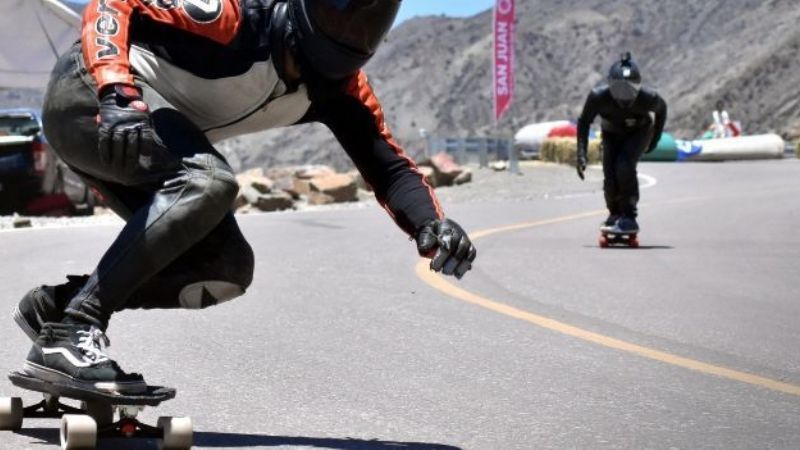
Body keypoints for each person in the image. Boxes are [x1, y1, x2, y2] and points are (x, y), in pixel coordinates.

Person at [14, 0, 477, 394]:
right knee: (208, 181)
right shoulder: (235, 15)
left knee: (225, 268)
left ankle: (61, 310)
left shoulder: (340, 89)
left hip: (150, 140)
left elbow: (391, 168)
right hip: (92, 98)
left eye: (366, 27)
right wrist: (115, 87)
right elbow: (113, 4)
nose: (350, 34)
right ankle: (79, 328)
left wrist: (430, 225)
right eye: (341, 19)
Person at [576, 52, 667, 233]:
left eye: (631, 88)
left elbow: (662, 111)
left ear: (639, 86)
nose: (625, 95)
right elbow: (584, 122)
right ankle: (615, 214)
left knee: (624, 165)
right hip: (611, 133)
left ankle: (630, 217)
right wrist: (581, 154)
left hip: (639, 132)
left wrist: (655, 139)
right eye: (619, 89)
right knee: (610, 174)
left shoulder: (648, 97)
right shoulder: (597, 97)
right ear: (610, 86)